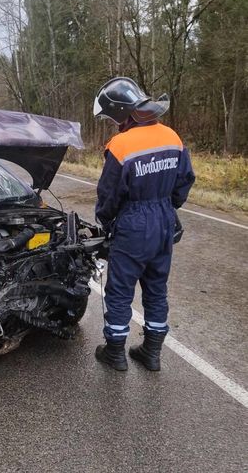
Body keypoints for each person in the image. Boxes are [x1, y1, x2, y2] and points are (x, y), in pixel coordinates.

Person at [92, 77, 195, 371]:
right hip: (163, 218)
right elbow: (185, 180)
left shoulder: (122, 145)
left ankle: (115, 352)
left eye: (112, 116)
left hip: (134, 223)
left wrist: (108, 222)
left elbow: (109, 196)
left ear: (122, 112)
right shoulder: (172, 137)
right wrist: (166, 206)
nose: (113, 122)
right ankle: (151, 352)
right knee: (156, 288)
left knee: (120, 290)